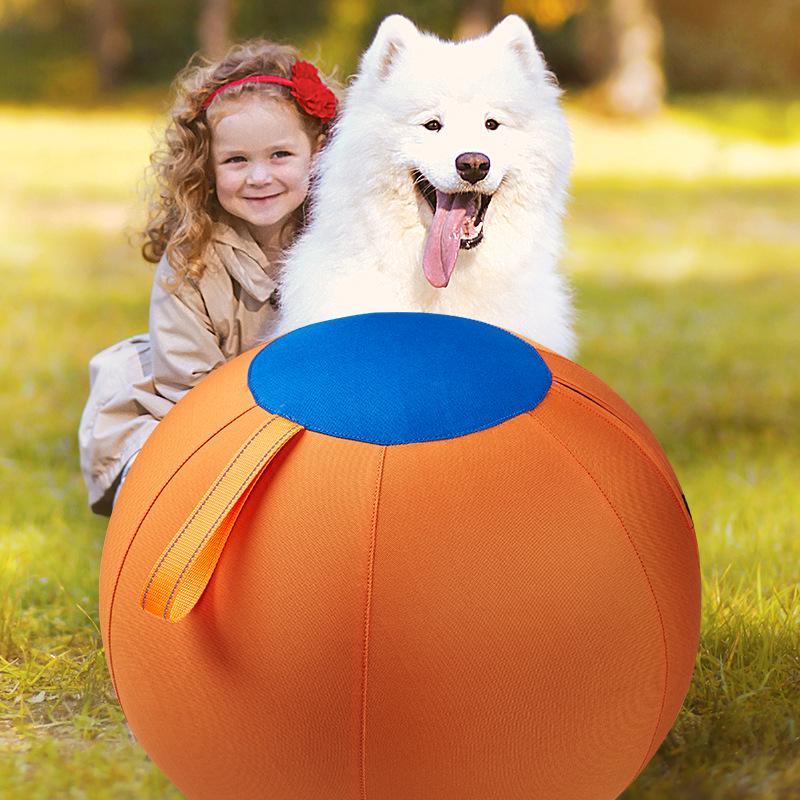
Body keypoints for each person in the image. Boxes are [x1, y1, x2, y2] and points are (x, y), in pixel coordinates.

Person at [78, 39, 338, 516]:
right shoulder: (192, 259)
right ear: (206, 166)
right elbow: (189, 390)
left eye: (280, 155)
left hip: (306, 414)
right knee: (177, 483)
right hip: (194, 414)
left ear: (318, 152)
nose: (259, 176)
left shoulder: (342, 234)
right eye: (236, 161)